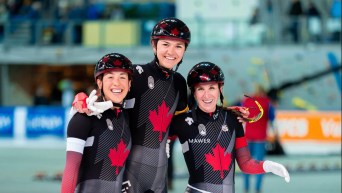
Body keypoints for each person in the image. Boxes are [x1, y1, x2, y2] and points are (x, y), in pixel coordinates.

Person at [71, 17, 249, 193]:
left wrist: (224, 113)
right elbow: (106, 93)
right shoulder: (135, 74)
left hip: (159, 177)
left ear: (184, 50)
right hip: (127, 175)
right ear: (153, 45)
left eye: (178, 46)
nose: (171, 51)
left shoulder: (179, 83)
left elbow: (184, 122)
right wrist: (80, 99)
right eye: (165, 44)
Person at [169, 62, 290, 193]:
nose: (206, 95)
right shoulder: (182, 121)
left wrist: (268, 166)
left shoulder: (233, 119)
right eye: (200, 89)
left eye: (211, 88)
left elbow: (245, 163)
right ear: (194, 92)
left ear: (220, 89)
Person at [60, 53, 134, 193]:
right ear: (99, 82)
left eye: (122, 77)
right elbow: (71, 168)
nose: (117, 83)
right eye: (110, 77)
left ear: (129, 84)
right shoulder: (84, 117)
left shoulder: (127, 117)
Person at [241, 84, 277, 193]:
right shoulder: (267, 103)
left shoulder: (246, 101)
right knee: (260, 165)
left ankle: (246, 188)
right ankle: (257, 188)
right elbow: (272, 118)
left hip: (248, 137)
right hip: (260, 138)